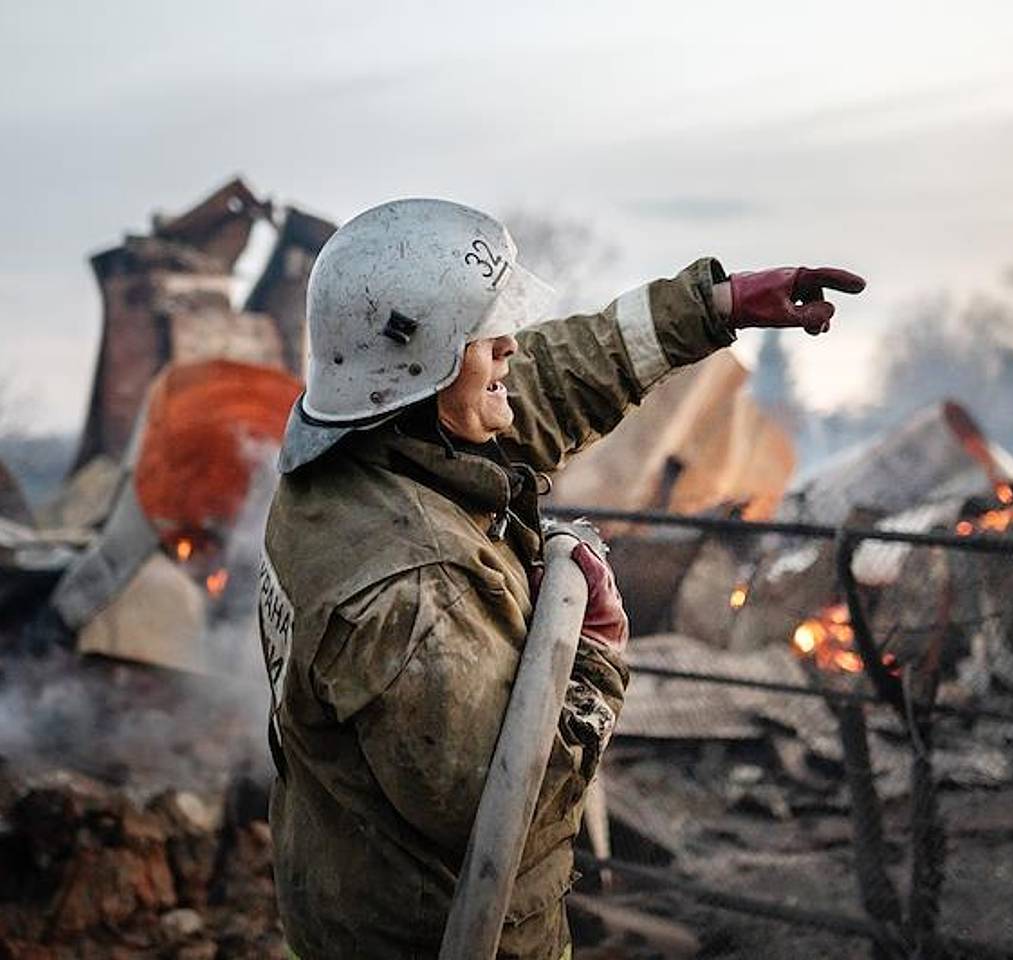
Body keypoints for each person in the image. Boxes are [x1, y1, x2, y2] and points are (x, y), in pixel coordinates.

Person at [258, 198, 864, 959]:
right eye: (485, 336)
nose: (510, 346)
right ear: (422, 362)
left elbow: (556, 374)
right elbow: (514, 811)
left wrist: (716, 305)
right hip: (436, 933)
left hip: (351, 891)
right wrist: (597, 653)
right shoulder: (415, 588)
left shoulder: (364, 449)